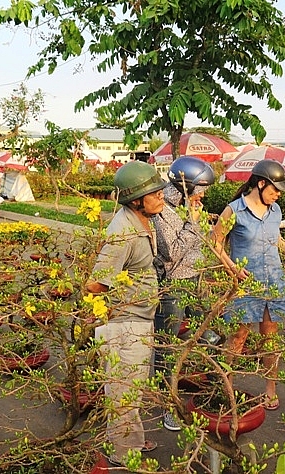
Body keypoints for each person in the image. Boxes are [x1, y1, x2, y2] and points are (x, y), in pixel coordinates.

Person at [84, 161, 167, 466]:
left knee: (131, 390)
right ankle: (124, 455)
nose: (161, 196)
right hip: (123, 325)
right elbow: (96, 283)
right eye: (154, 193)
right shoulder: (123, 231)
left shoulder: (143, 219)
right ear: (136, 200)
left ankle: (129, 439)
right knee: (124, 394)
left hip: (138, 319)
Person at [212, 160, 285, 410]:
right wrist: (232, 267)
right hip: (246, 283)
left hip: (273, 280)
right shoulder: (234, 211)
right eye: (275, 189)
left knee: (270, 337)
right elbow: (215, 242)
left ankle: (270, 388)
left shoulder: (276, 211)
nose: (278, 194)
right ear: (261, 183)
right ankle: (227, 389)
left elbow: (275, 239)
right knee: (238, 336)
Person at [151, 156, 216, 431]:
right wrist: (193, 221)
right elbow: (173, 253)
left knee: (209, 333)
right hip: (173, 285)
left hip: (193, 280)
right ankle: (167, 405)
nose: (204, 194)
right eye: (202, 188)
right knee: (167, 347)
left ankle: (204, 384)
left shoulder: (182, 206)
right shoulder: (161, 210)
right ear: (186, 185)